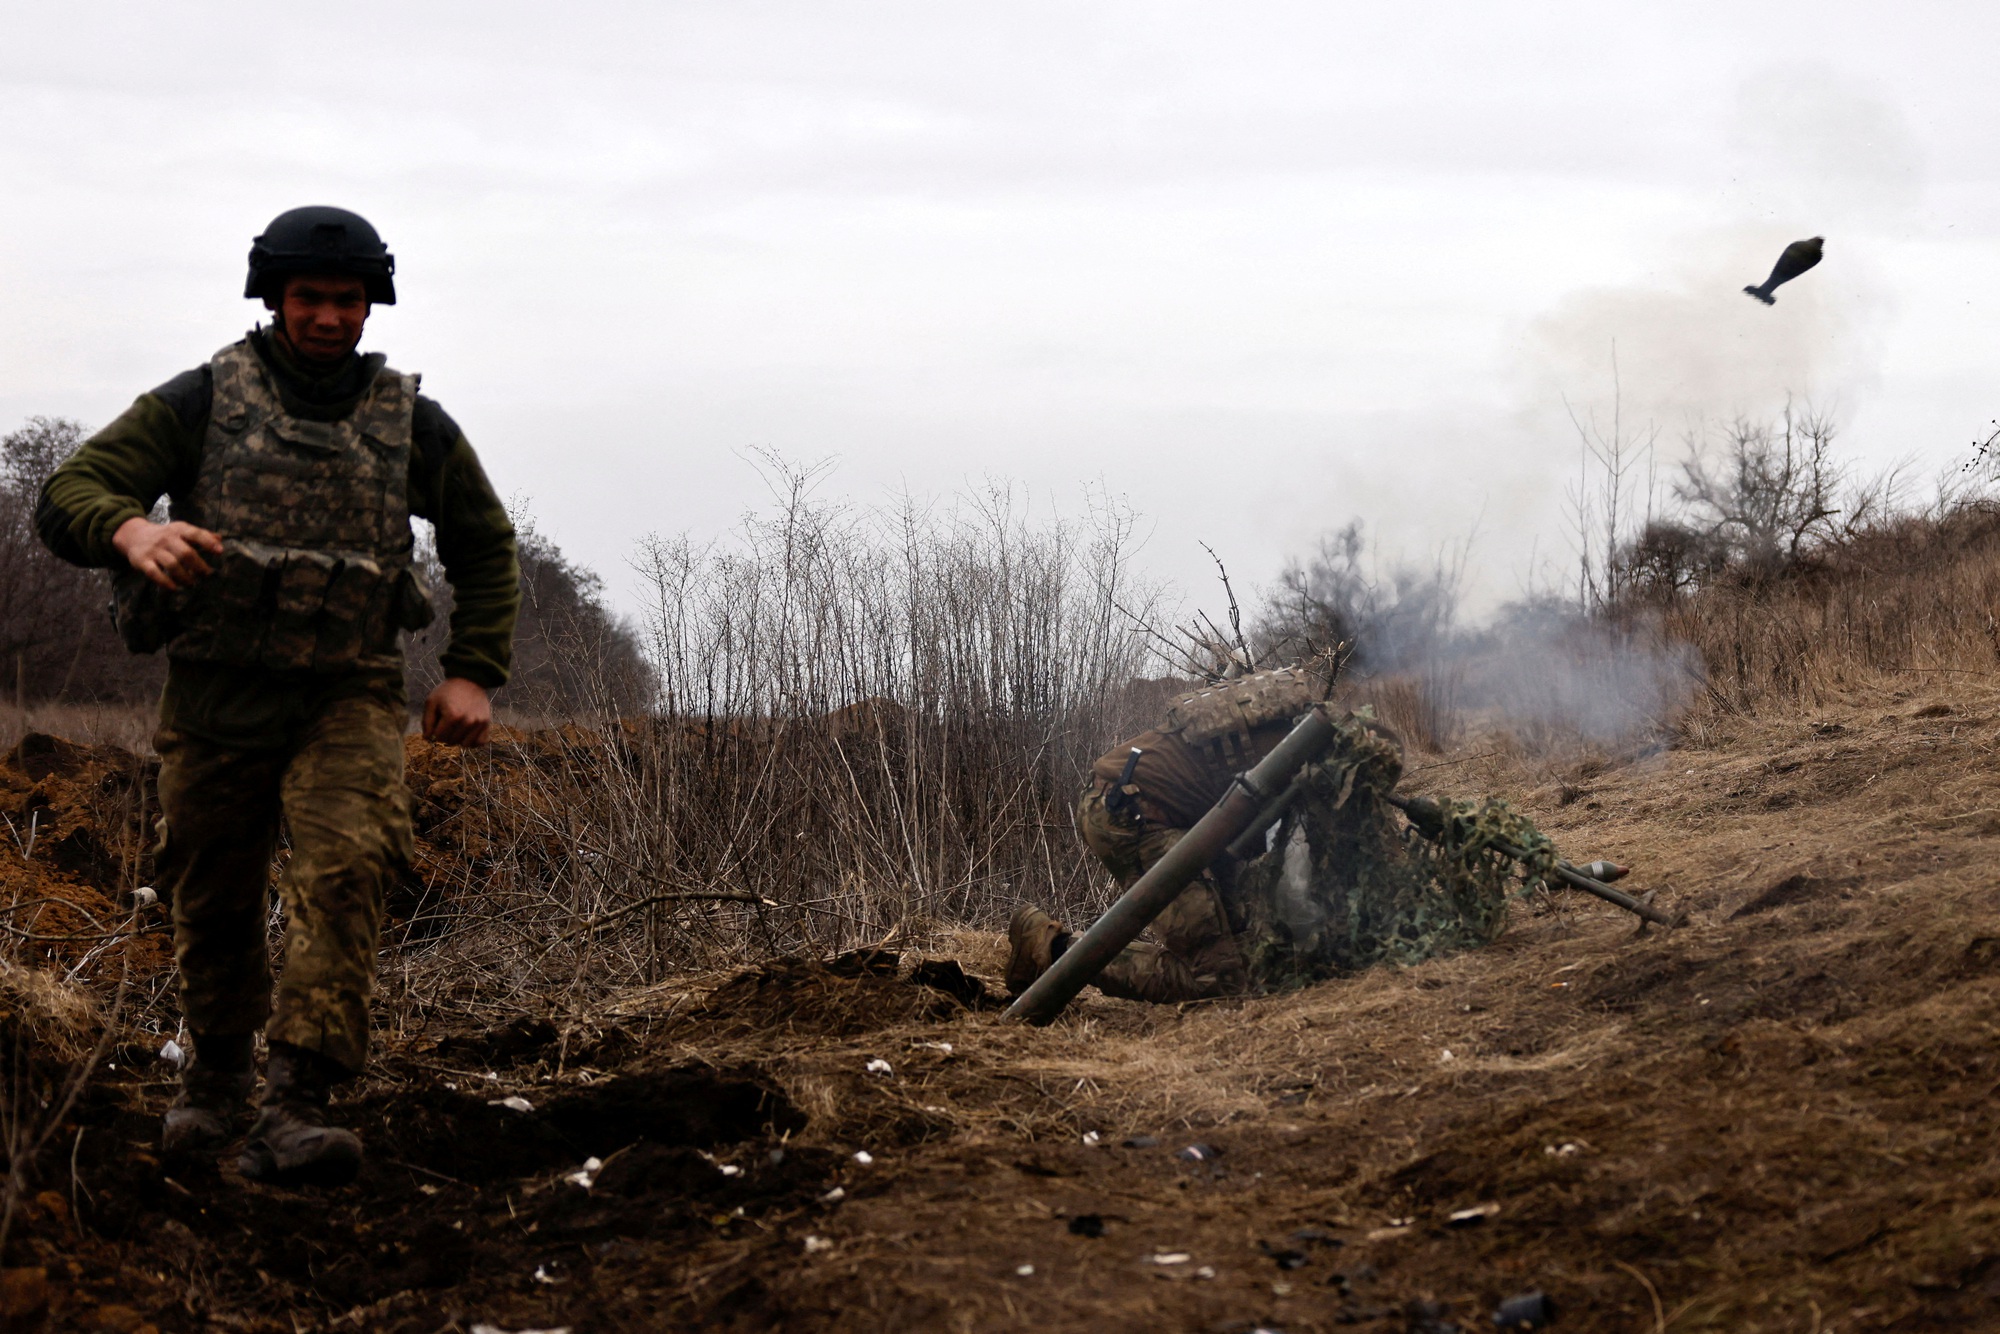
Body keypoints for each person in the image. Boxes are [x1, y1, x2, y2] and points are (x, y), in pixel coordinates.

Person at [36, 206, 520, 1186]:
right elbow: (72, 489)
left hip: (347, 694)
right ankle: (217, 1081)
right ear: (274, 297)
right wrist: (130, 531)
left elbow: (484, 543)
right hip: (218, 698)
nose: (330, 317)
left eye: (348, 300)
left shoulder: (408, 421)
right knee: (210, 896)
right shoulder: (202, 402)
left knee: (346, 869)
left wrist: (472, 667)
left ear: (370, 303)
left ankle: (300, 1100)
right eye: (310, 297)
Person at [1007, 665, 1352, 1003]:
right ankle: (1051, 946)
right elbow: (1292, 867)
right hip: (1131, 816)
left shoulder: (1291, 727)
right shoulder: (1301, 756)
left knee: (1242, 939)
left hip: (1161, 812)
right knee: (1217, 979)